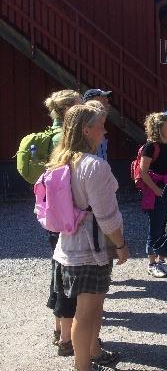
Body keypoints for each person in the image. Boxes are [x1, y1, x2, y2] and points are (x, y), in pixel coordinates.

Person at [49, 104, 128, 370]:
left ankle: (91, 353)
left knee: (90, 308)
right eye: (100, 125)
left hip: (66, 245)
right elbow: (107, 216)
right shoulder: (94, 166)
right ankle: (82, 365)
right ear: (86, 129)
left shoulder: (59, 160)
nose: (105, 131)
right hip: (91, 249)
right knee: (87, 311)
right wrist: (121, 244)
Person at [43, 89, 83, 356]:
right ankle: (68, 340)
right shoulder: (66, 140)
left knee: (57, 270)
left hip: (52, 214)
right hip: (70, 216)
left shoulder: (50, 134)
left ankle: (59, 329)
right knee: (69, 275)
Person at [139, 113, 167, 277]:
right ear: (158, 128)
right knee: (155, 228)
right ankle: (152, 263)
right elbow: (143, 172)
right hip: (155, 193)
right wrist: (157, 191)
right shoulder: (150, 147)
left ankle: (162, 261)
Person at [83, 89, 111, 161]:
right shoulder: (84, 126)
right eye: (102, 97)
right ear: (91, 101)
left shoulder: (100, 126)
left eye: (106, 97)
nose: (106, 100)